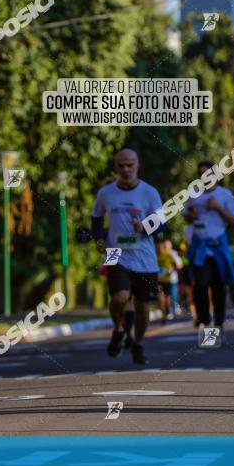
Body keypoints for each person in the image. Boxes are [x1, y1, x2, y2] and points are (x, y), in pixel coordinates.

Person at [91, 149, 163, 364]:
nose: (125, 169)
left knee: (142, 307)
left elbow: (161, 225)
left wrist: (144, 227)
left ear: (137, 165)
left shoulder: (150, 192)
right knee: (119, 297)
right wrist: (99, 239)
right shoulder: (106, 193)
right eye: (121, 165)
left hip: (145, 258)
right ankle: (118, 328)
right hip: (116, 254)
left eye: (129, 165)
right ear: (116, 166)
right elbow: (96, 219)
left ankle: (138, 344)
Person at [183, 160, 234, 331]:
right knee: (200, 284)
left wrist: (217, 207)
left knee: (219, 285)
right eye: (201, 174)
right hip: (200, 247)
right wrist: (190, 215)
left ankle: (219, 321)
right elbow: (187, 217)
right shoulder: (193, 195)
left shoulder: (224, 194)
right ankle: (204, 319)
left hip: (218, 245)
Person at [156, 239, 183, 322]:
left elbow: (178, 265)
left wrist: (171, 269)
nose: (162, 247)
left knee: (169, 296)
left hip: (169, 280)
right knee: (160, 297)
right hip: (158, 280)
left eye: (163, 246)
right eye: (162, 246)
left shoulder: (170, 255)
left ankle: (169, 309)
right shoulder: (154, 256)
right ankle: (163, 315)